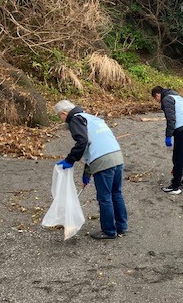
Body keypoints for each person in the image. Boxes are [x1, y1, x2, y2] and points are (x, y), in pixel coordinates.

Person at [53, 100, 128, 240]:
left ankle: (109, 231)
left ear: (64, 113)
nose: (61, 120)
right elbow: (92, 146)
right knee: (116, 193)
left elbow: (82, 141)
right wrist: (87, 173)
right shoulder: (90, 117)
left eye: (60, 116)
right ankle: (122, 227)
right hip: (117, 157)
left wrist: (70, 160)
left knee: (104, 197)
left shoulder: (75, 120)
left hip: (103, 161)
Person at [151, 86, 183, 195]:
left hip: (182, 130)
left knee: (178, 158)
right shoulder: (178, 97)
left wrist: (168, 135)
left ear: (157, 95)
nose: (157, 101)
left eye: (155, 99)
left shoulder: (166, 99)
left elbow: (171, 119)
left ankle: (175, 186)